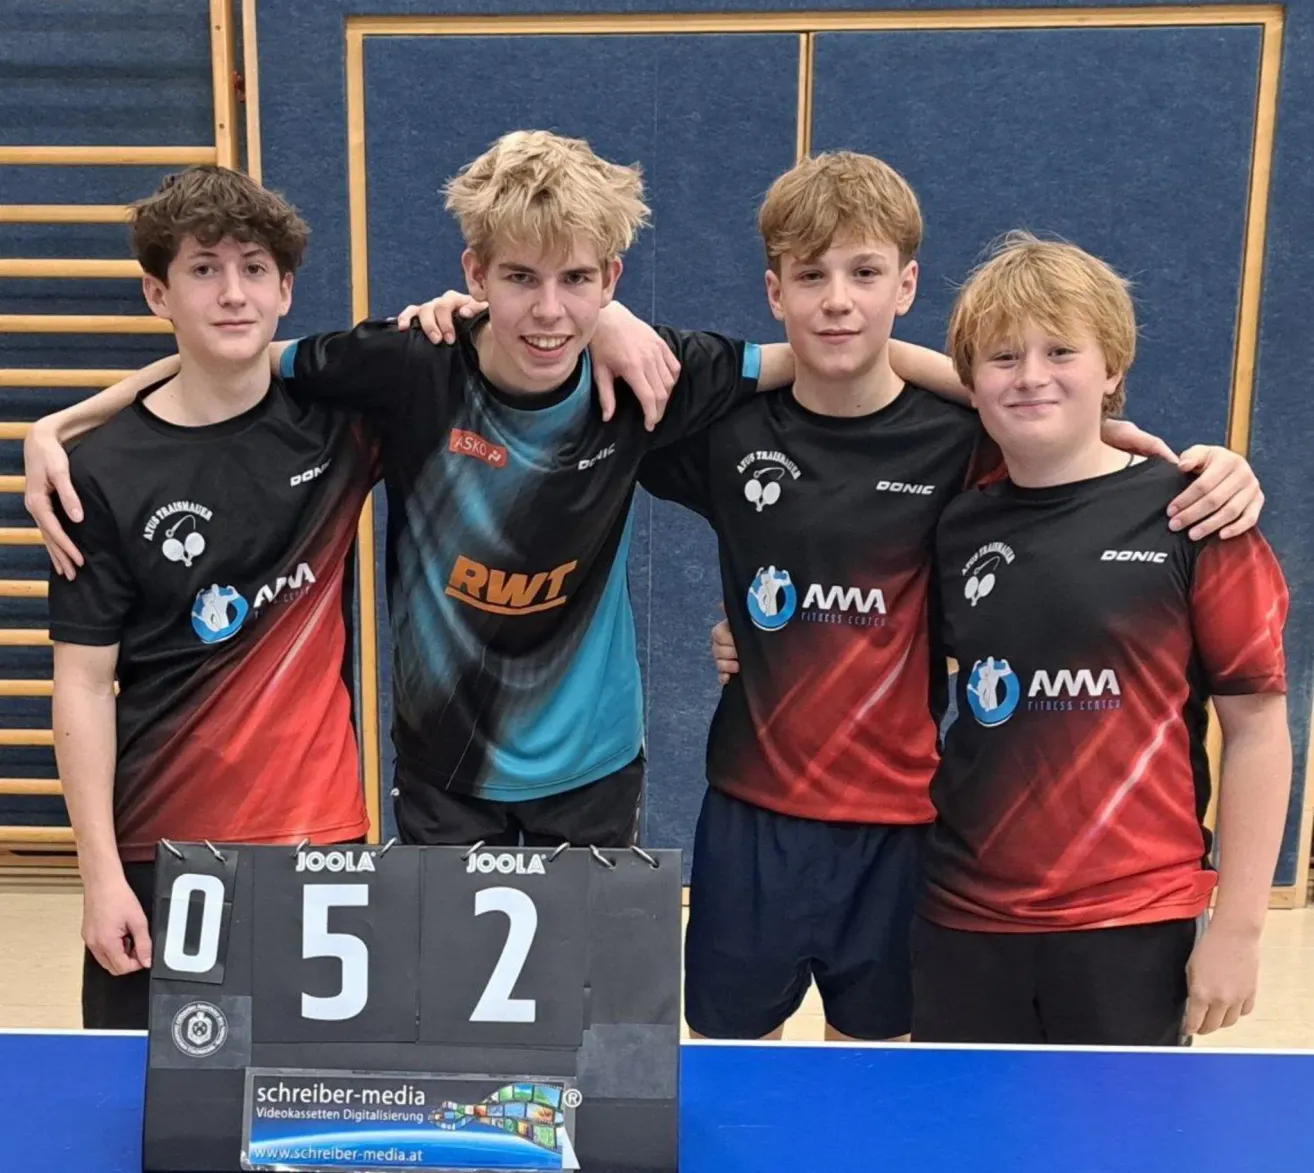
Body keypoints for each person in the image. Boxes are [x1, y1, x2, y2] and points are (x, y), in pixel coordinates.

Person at [28, 132, 953, 853]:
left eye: (578, 281)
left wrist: (1064, 423)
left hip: (592, 768)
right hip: (444, 766)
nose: (548, 312)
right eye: (519, 279)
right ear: (474, 275)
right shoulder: (407, 366)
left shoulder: (653, 372)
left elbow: (838, 352)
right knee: (451, 1045)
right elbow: (237, 353)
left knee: (585, 1043)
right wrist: (65, 421)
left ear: (610, 279)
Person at [636, 152, 1265, 1044]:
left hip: (904, 826)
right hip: (750, 819)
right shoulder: (727, 432)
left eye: (865, 274)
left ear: (907, 284)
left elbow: (1062, 453)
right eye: (810, 277)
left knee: (885, 1079)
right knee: (737, 1071)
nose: (839, 300)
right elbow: (586, 385)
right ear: (774, 292)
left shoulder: (964, 441)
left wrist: (1204, 462)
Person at [910, 231, 1291, 1045]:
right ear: (971, 380)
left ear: (1112, 367)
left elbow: (1258, 730)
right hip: (965, 919)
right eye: (1003, 357)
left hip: (1132, 923)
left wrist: (1240, 927)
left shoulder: (1196, 515)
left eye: (1061, 351)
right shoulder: (956, 522)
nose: (1032, 376)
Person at [47, 166, 378, 1029]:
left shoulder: (342, 421)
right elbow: (81, 684)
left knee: (312, 1120)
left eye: (254, 268)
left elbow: (505, 336)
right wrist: (100, 877)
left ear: (285, 288)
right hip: (161, 848)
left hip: (321, 841)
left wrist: (604, 319)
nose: (233, 293)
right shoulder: (101, 475)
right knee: (150, 1115)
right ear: (159, 292)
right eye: (203, 269)